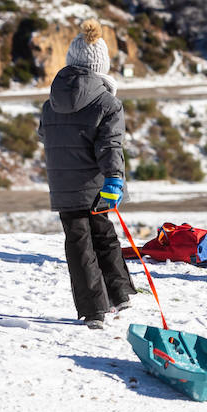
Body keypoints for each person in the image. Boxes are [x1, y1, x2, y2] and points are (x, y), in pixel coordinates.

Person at [38, 19, 136, 329]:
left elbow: (44, 134)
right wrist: (114, 179)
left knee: (79, 243)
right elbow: (110, 145)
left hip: (64, 185)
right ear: (101, 66)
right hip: (96, 184)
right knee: (104, 234)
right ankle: (119, 295)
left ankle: (95, 309)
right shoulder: (108, 103)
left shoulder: (50, 102)